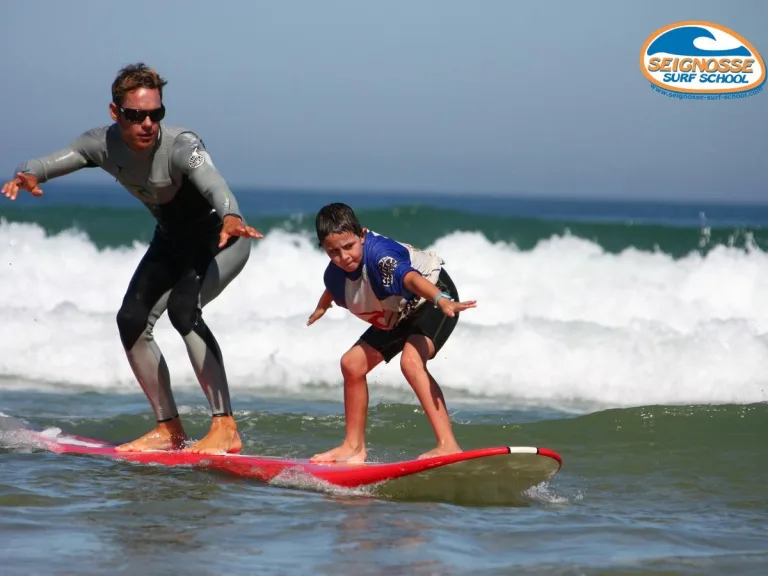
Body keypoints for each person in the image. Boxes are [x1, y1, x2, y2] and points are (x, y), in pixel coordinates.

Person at [1, 63, 262, 455]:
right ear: (115, 113)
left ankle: (225, 427)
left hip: (221, 238)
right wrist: (28, 174)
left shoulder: (181, 145)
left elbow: (214, 184)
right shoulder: (102, 143)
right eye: (135, 115)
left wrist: (231, 215)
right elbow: (59, 159)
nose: (146, 124)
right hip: (172, 241)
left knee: (184, 311)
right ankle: (168, 429)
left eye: (155, 114)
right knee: (131, 321)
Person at [306, 202, 477, 462]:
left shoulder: (381, 257)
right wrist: (322, 306)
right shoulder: (335, 272)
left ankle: (448, 445)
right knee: (352, 364)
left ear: (362, 235)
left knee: (411, 362)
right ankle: (353, 447)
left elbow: (410, 279)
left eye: (349, 246)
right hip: (399, 310)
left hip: (433, 295)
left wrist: (441, 299)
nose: (344, 257)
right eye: (334, 252)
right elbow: (333, 287)